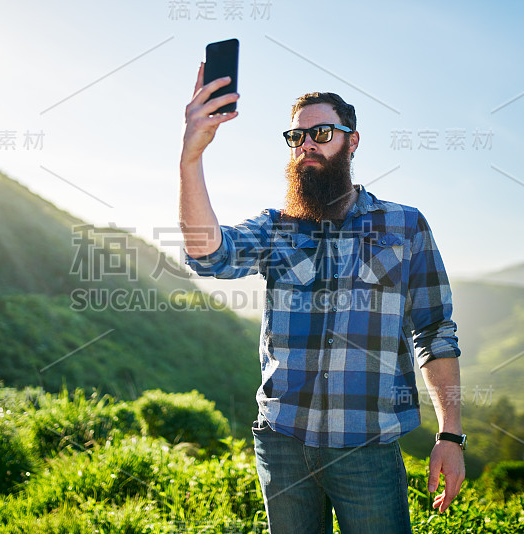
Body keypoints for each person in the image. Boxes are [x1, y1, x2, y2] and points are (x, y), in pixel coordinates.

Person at [179, 63, 465, 533]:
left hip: (367, 449)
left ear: (352, 141)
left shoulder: (404, 226)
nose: (307, 143)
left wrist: (450, 433)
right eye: (297, 137)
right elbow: (209, 255)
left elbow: (434, 331)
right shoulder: (276, 227)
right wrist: (191, 157)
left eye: (321, 132)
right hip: (283, 444)